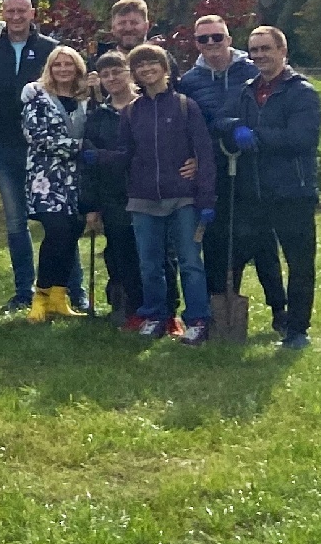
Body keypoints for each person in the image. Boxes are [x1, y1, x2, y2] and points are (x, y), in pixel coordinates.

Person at [177, 14, 286, 333]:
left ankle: (279, 309)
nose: (211, 43)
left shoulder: (251, 71)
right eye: (203, 39)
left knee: (262, 239)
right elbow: (189, 127)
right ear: (196, 43)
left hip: (253, 165)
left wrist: (249, 130)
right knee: (216, 240)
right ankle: (220, 306)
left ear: (228, 38)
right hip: (214, 169)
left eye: (217, 37)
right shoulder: (191, 81)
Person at [0, 0, 72, 312]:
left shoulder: (50, 49)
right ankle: (23, 291)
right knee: (16, 223)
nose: (15, 16)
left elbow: (66, 92)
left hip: (48, 152)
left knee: (60, 221)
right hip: (4, 147)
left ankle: (68, 289)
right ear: (3, 13)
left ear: (32, 13)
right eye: (9, 11)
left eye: (21, 11)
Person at [222, 26, 321, 349]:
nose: (260, 55)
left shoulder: (301, 92)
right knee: (256, 257)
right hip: (256, 192)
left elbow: (301, 139)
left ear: (282, 51)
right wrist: (235, 127)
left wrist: (258, 136)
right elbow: (220, 121)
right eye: (254, 50)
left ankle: (297, 330)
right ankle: (268, 315)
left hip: (293, 191)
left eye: (266, 48)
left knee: (299, 263)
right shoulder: (247, 90)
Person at [118, 45, 216, 344]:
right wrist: (94, 156)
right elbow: (125, 155)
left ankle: (197, 320)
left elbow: (205, 154)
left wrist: (207, 198)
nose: (147, 70)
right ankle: (157, 315)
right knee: (150, 263)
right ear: (134, 73)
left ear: (165, 68)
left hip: (183, 197)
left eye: (152, 64)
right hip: (143, 200)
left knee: (189, 261)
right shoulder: (132, 111)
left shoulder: (186, 106)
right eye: (140, 66)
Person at [19, 46, 88, 321]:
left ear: (77, 68)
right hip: (46, 178)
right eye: (57, 64)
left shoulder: (85, 98)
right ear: (49, 68)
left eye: (68, 65)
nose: (63, 69)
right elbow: (36, 136)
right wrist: (79, 147)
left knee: (72, 234)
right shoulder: (37, 97)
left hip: (78, 179)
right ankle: (40, 296)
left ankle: (60, 297)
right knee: (56, 232)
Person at [78, 52, 145, 325]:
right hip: (112, 195)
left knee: (155, 254)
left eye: (117, 71)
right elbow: (89, 164)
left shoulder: (147, 107)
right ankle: (126, 306)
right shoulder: (98, 117)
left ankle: (159, 308)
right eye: (105, 75)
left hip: (148, 191)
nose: (112, 78)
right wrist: (90, 206)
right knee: (119, 252)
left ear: (129, 72)